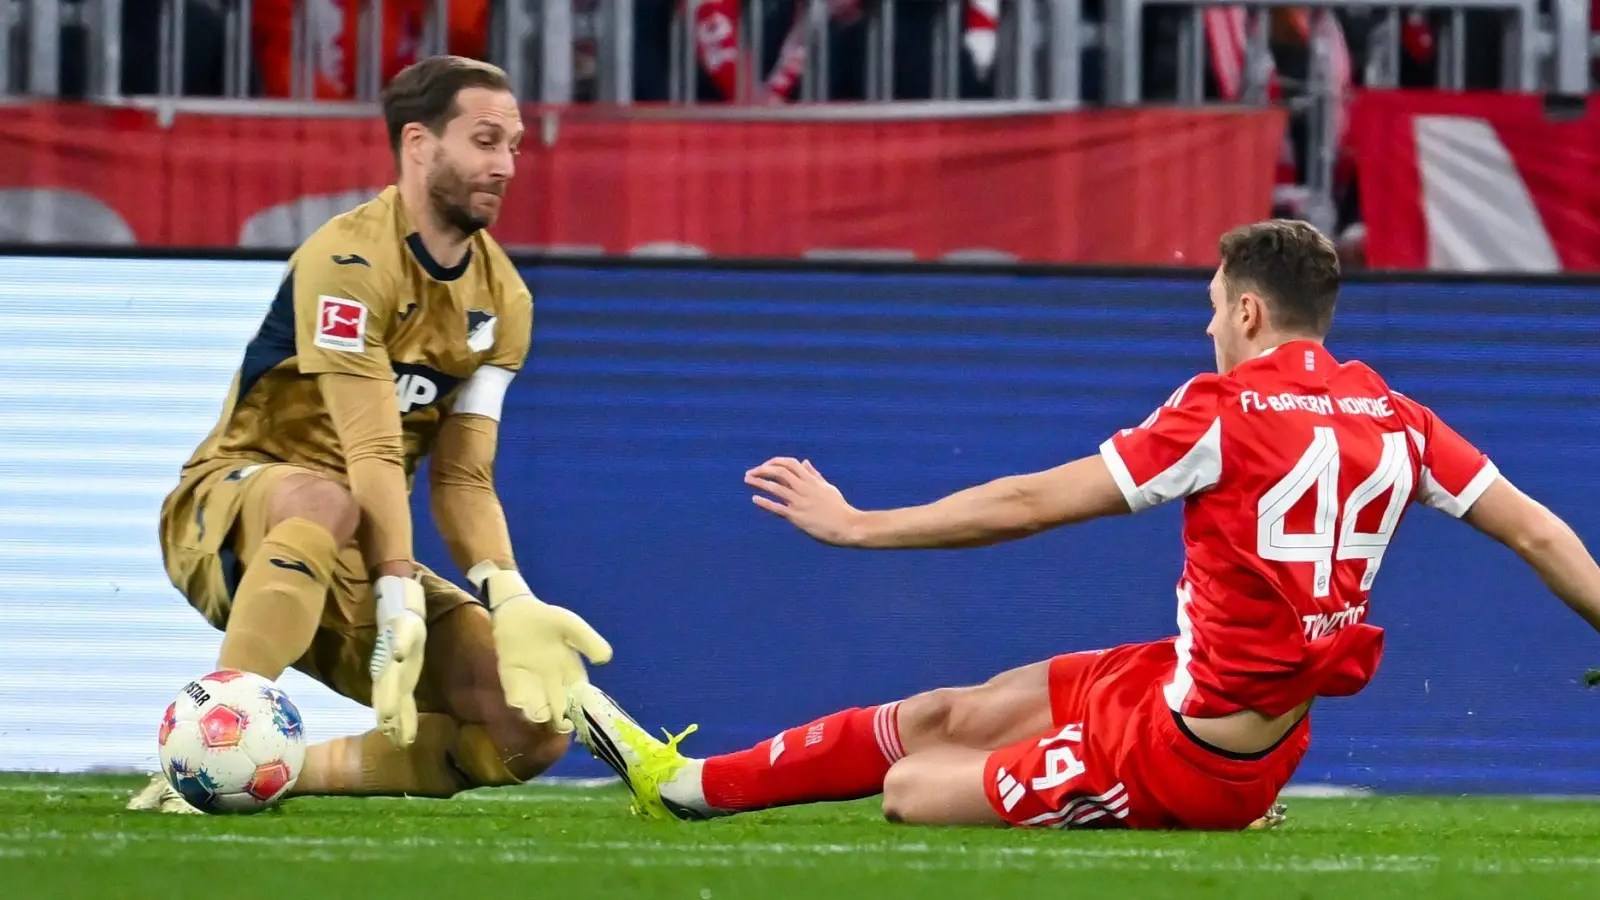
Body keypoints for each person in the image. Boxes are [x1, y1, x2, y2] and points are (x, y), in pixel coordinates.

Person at [568, 219, 1600, 831]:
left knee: (911, 789)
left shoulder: (1220, 410)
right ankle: (686, 785)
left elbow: (1026, 504)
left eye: (1210, 304)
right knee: (953, 708)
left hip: (1193, 755)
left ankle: (1174, 795)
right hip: (1204, 693)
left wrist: (859, 528)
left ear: (1246, 312)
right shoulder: (1396, 416)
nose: (1205, 324)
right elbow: (1543, 535)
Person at [130, 55, 611, 814]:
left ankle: (260, 771)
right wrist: (396, 585)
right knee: (326, 501)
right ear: (419, 143)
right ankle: (218, 727)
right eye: (486, 140)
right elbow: (372, 449)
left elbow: (461, 479)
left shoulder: (504, 300)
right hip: (234, 512)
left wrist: (508, 591)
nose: (506, 164)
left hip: (362, 546)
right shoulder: (349, 258)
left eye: (515, 145)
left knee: (528, 730)